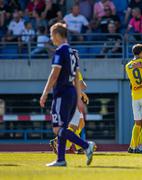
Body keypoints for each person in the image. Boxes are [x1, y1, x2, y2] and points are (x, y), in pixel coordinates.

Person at [39, 22, 95, 167]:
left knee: (57, 128)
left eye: (52, 35)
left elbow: (54, 74)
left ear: (58, 34)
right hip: (71, 92)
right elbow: (76, 76)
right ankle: (61, 159)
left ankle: (85, 145)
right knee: (64, 126)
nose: (51, 39)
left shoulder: (60, 51)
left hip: (62, 92)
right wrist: (78, 98)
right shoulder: (73, 52)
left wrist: (45, 92)